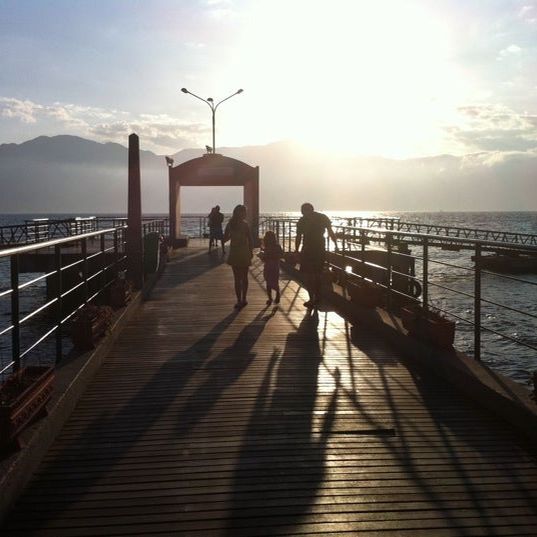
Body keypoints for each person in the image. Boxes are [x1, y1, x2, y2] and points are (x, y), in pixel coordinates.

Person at [295, 202, 338, 308]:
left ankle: (312, 298)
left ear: (305, 210)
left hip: (308, 250)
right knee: (317, 274)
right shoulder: (322, 217)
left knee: (309, 276)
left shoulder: (302, 220)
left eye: (302, 211)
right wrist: (336, 244)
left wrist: (296, 250)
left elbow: (299, 236)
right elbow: (330, 232)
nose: (302, 213)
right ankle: (317, 297)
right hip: (319, 249)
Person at [224, 204, 253, 308]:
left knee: (238, 278)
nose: (245, 214)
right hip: (242, 252)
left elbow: (225, 238)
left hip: (236, 252)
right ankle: (242, 298)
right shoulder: (244, 225)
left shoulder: (230, 224)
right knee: (243, 277)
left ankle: (240, 299)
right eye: (244, 212)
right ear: (239, 213)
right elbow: (250, 239)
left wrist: (230, 237)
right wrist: (251, 251)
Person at [260, 230, 283, 305]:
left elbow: (265, 258)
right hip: (275, 266)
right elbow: (281, 255)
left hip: (269, 266)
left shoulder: (267, 247)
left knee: (269, 282)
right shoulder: (277, 246)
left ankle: (271, 297)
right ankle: (275, 295)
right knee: (273, 282)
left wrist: (262, 256)